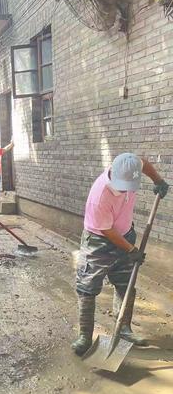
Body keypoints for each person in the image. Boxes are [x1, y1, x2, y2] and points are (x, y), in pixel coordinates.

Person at [72, 153, 169, 356]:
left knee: (126, 285)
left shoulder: (130, 165)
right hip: (98, 243)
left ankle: (124, 329)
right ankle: (84, 336)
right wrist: (131, 250)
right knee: (87, 289)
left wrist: (158, 181)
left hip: (125, 235)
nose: (126, 190)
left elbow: (143, 162)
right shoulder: (100, 196)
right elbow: (107, 230)